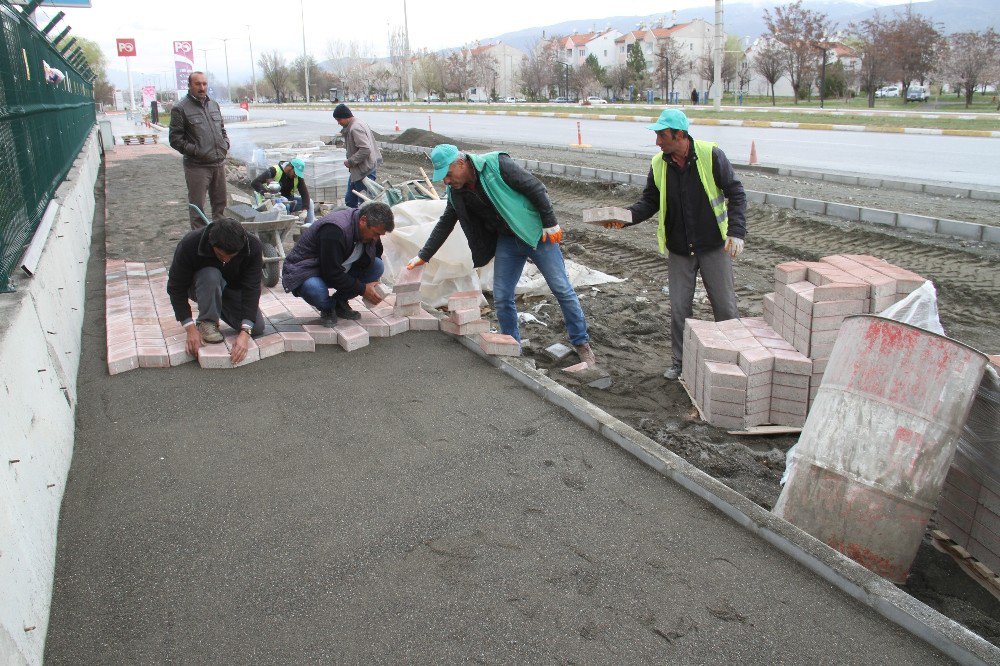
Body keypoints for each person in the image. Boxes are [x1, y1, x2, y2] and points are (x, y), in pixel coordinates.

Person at [406, 144, 596, 366]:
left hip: (536, 234)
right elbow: (446, 222)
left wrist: (550, 223)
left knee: (561, 288)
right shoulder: (456, 192)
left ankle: (582, 344)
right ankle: (511, 344)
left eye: (448, 174)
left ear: (460, 163)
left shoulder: (496, 164)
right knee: (502, 295)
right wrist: (424, 255)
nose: (446, 181)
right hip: (508, 240)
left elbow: (535, 187)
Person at [604, 108, 746, 380]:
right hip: (680, 249)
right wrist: (624, 218)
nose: (658, 142)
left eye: (662, 135)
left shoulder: (711, 155)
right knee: (680, 308)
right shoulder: (660, 163)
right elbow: (650, 201)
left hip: (713, 244)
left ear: (680, 135)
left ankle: (735, 360)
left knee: (725, 307)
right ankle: (680, 362)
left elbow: (737, 193)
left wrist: (736, 232)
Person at [166, 218, 266, 363]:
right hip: (203, 285)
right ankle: (207, 322)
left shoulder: (253, 246)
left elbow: (252, 288)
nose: (225, 260)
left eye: (231, 257)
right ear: (211, 243)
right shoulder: (191, 243)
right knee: (210, 274)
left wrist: (245, 332)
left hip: (231, 289)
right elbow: (176, 287)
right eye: (220, 255)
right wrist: (189, 327)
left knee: (256, 327)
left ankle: (217, 305)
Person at [281, 202, 394, 327]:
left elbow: (375, 255)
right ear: (363, 220)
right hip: (309, 269)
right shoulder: (335, 230)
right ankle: (327, 307)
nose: (376, 239)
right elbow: (331, 273)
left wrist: (374, 282)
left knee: (377, 266)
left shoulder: (369, 232)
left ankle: (339, 302)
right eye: (376, 233)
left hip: (336, 267)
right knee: (314, 289)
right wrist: (362, 289)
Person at [169, 71, 231, 230]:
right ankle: (200, 241)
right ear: (189, 86)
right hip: (197, 166)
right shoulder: (180, 108)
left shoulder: (213, 105)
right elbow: (175, 139)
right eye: (197, 84)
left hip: (218, 163)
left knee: (221, 206)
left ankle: (219, 240)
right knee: (197, 208)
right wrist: (197, 151)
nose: (202, 87)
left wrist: (225, 144)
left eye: (204, 84)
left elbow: (221, 129)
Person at [332, 103, 382, 208]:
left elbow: (365, 149)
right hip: (357, 171)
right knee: (350, 201)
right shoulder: (358, 123)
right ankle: (351, 221)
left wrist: (350, 161)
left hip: (364, 172)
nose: (338, 123)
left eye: (339, 120)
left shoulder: (355, 128)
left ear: (346, 117)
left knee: (364, 204)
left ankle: (361, 222)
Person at [251, 158, 315, 223]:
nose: (295, 175)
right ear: (290, 167)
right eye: (295, 172)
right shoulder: (274, 170)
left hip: (288, 200)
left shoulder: (297, 177)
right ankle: (285, 225)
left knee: (310, 202)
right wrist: (266, 193)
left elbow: (304, 194)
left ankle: (309, 228)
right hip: (272, 202)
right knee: (284, 205)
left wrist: (305, 210)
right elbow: (255, 183)